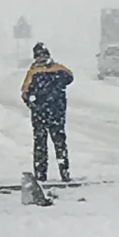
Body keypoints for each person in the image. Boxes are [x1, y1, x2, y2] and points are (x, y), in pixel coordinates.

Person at [20, 43, 74, 182]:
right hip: (57, 112)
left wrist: (33, 104)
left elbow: (24, 93)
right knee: (60, 142)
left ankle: (41, 175)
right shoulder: (59, 69)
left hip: (40, 114)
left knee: (40, 144)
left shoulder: (33, 72)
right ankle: (64, 172)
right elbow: (70, 77)